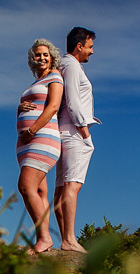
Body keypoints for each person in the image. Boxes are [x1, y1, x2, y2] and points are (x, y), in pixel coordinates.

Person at [36, 26, 99, 253]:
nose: (92, 51)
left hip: (65, 130)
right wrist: (84, 132)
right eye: (90, 47)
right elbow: (73, 102)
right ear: (79, 46)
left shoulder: (63, 65)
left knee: (62, 187)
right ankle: (69, 239)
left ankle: (66, 238)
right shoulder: (71, 66)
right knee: (72, 185)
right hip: (73, 131)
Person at [15, 39, 64, 253]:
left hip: (42, 138)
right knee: (40, 190)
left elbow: (53, 107)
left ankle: (44, 238)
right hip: (26, 142)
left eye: (45, 54)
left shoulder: (55, 77)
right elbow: (28, 108)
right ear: (32, 59)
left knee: (26, 187)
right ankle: (41, 238)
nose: (41, 58)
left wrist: (32, 130)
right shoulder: (36, 82)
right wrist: (20, 109)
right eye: (37, 54)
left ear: (52, 57)